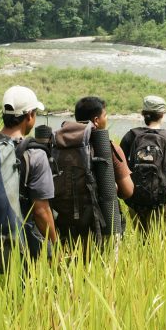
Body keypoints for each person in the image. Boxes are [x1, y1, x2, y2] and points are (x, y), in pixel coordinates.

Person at [51, 96, 132, 246]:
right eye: (105, 115)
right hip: (102, 224)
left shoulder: (56, 145)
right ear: (96, 120)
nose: (106, 119)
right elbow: (127, 191)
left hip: (62, 226)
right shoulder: (106, 148)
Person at [0, 85, 57, 257]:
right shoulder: (34, 154)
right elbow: (41, 211)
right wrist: (55, 247)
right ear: (30, 115)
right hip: (18, 243)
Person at [120, 95, 166, 234]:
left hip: (135, 199)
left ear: (143, 113)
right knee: (161, 242)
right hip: (162, 199)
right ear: (162, 114)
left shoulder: (131, 135)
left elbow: (118, 168)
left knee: (141, 241)